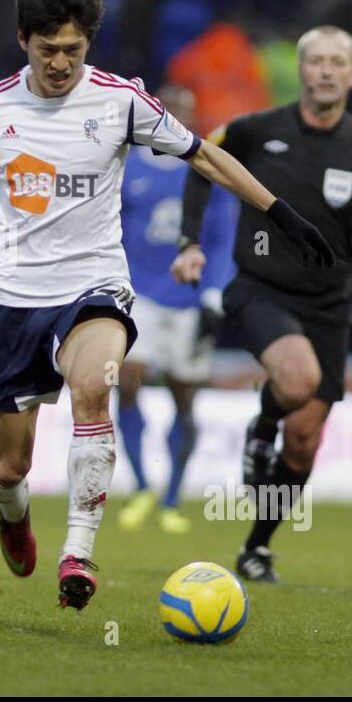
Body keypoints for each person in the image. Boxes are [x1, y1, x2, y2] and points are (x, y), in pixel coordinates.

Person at [0, 0, 332, 610]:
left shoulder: (121, 101)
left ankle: (80, 553)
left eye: (73, 49)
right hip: (11, 298)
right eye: (48, 50)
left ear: (89, 42)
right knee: (10, 469)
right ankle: (14, 514)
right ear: (22, 40)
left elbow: (205, 154)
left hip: (94, 285)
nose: (61, 63)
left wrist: (280, 213)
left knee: (96, 388)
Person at [178, 25, 352, 583]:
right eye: (316, 61)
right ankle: (263, 422)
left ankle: (256, 549)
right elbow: (198, 161)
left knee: (304, 444)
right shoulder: (259, 129)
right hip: (259, 290)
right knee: (298, 380)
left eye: (338, 62)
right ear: (301, 71)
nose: (326, 70)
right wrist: (190, 244)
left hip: (329, 306)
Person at [117, 84, 237, 534]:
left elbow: (223, 238)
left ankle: (171, 498)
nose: (178, 117)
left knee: (184, 398)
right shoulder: (128, 167)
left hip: (189, 300)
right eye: (171, 110)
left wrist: (213, 295)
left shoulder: (206, 167)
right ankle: (143, 486)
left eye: (187, 110)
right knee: (128, 379)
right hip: (140, 294)